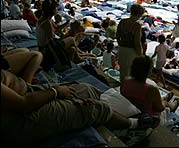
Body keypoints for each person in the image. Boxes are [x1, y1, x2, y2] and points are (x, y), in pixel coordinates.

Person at [1, 55, 154, 146]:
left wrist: (25, 84)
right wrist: (56, 91)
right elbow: (23, 105)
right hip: (18, 117)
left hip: (25, 93)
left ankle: (109, 120)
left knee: (87, 89)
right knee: (97, 107)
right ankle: (133, 126)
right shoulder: (150, 88)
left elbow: (33, 55)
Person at [121, 55, 179, 121]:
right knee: (164, 103)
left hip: (137, 106)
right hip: (146, 114)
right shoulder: (151, 89)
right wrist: (164, 103)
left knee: (155, 99)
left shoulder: (125, 80)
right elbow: (160, 108)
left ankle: (163, 98)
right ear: (149, 71)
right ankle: (171, 105)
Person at [36, 0, 82, 64]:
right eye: (56, 8)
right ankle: (79, 57)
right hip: (46, 49)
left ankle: (76, 58)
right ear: (52, 10)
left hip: (45, 46)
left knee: (72, 49)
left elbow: (57, 28)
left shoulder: (45, 19)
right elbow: (51, 40)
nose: (57, 10)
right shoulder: (47, 23)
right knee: (71, 39)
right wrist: (64, 37)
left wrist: (67, 23)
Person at [116, 4, 145, 86]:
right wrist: (141, 54)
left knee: (123, 71)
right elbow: (137, 42)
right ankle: (128, 91)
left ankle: (122, 88)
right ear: (139, 14)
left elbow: (117, 36)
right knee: (131, 73)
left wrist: (121, 45)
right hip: (131, 52)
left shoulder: (122, 22)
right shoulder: (136, 26)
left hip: (121, 49)